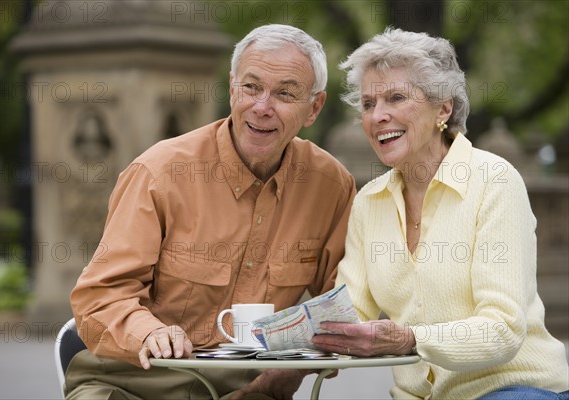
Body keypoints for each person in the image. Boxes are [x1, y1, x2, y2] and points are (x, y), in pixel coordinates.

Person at [66, 24, 355, 400]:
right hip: (130, 384)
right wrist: (149, 332)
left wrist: (281, 378)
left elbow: (343, 305)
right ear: (232, 88)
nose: (262, 106)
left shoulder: (330, 186)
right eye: (251, 87)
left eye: (285, 93)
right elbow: (97, 298)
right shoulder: (160, 173)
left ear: (314, 107)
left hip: (251, 392)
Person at [312, 28, 569, 400]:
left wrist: (410, 339)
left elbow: (503, 329)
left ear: (443, 108)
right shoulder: (369, 201)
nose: (378, 116)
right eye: (368, 104)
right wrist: (279, 338)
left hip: (514, 390)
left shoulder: (494, 182)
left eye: (396, 98)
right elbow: (349, 313)